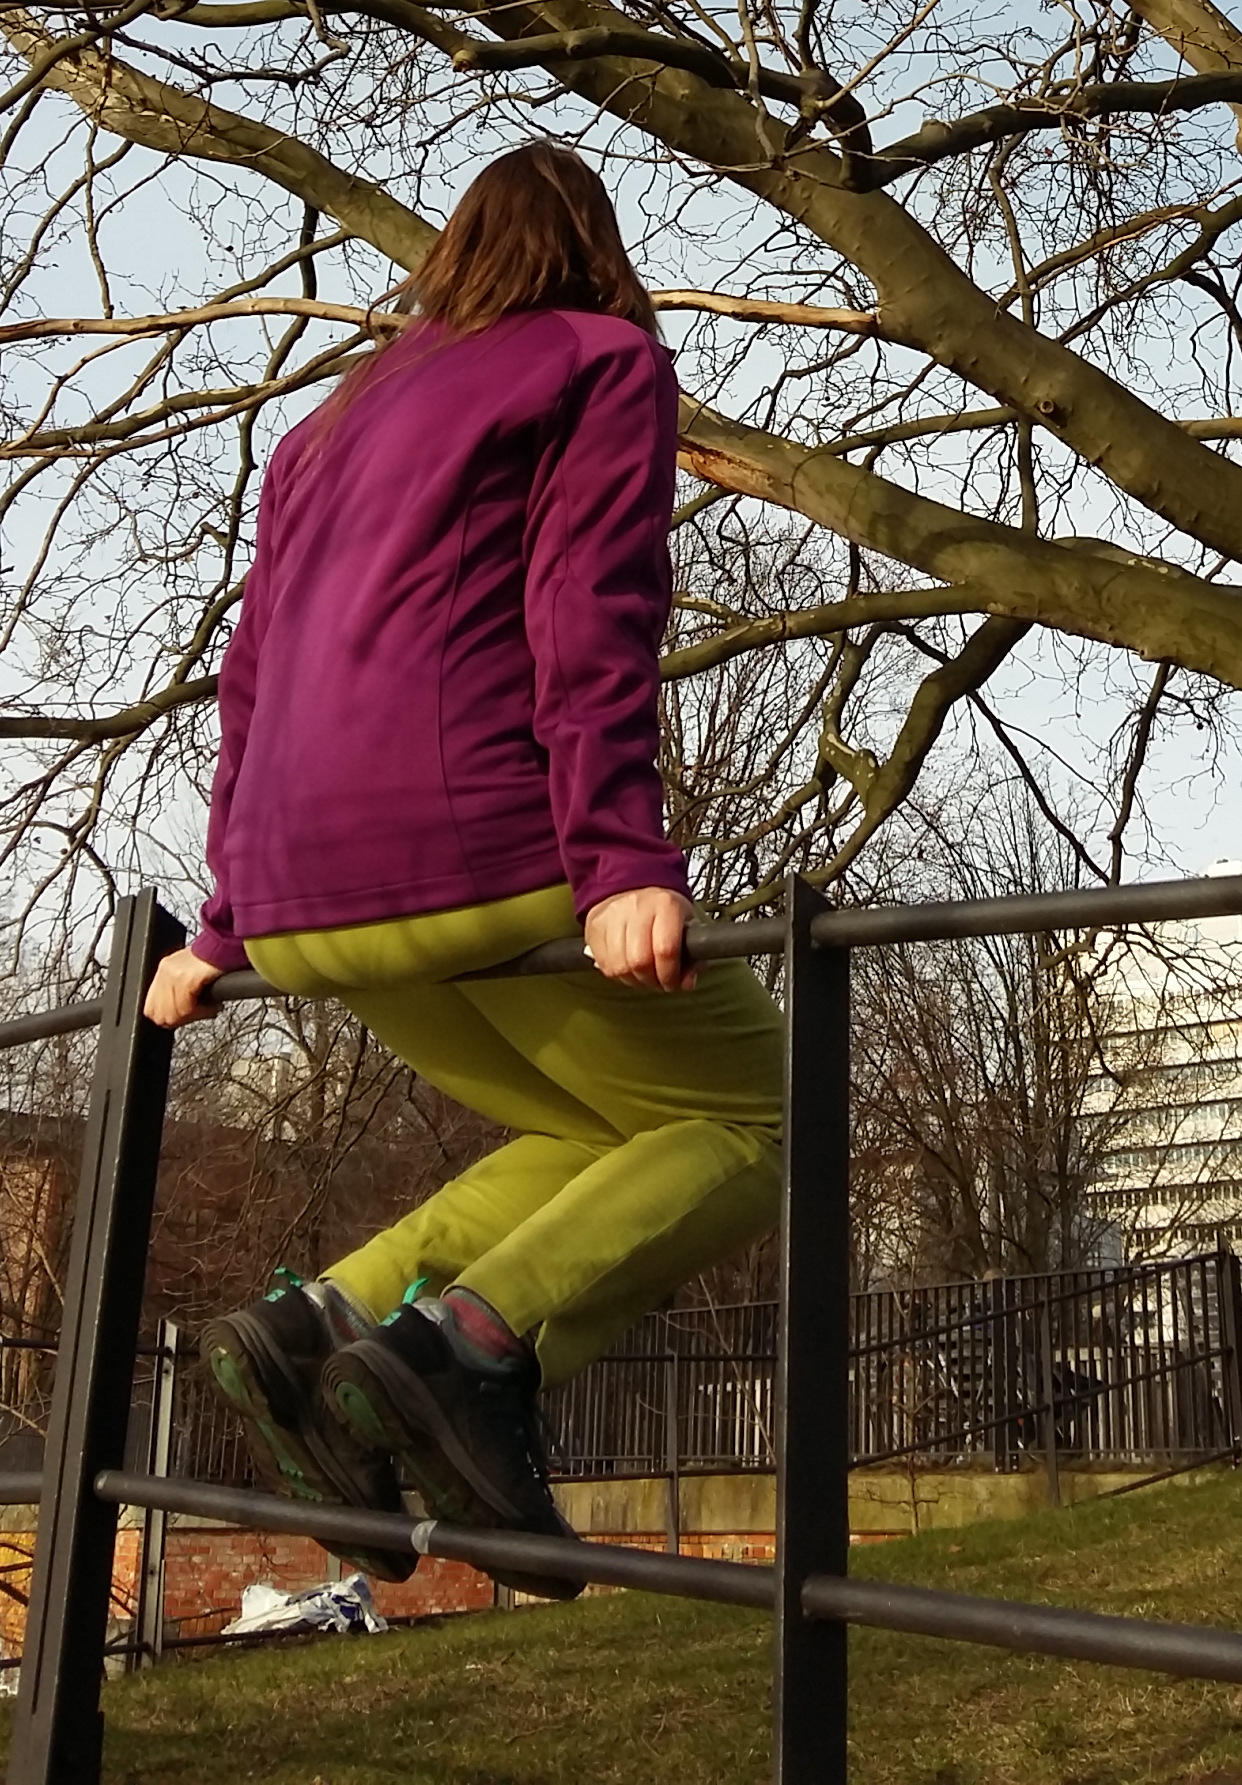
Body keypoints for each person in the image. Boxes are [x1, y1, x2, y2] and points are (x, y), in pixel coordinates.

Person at [144, 143, 783, 1588]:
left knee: (615, 1138)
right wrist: (619, 855)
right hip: (474, 857)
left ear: (448, 256)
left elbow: (251, 679)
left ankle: (318, 1327)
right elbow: (588, 605)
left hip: (304, 902)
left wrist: (228, 924)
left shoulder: (322, 430)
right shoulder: (598, 359)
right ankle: (470, 1352)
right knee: (760, 1121)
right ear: (596, 250)